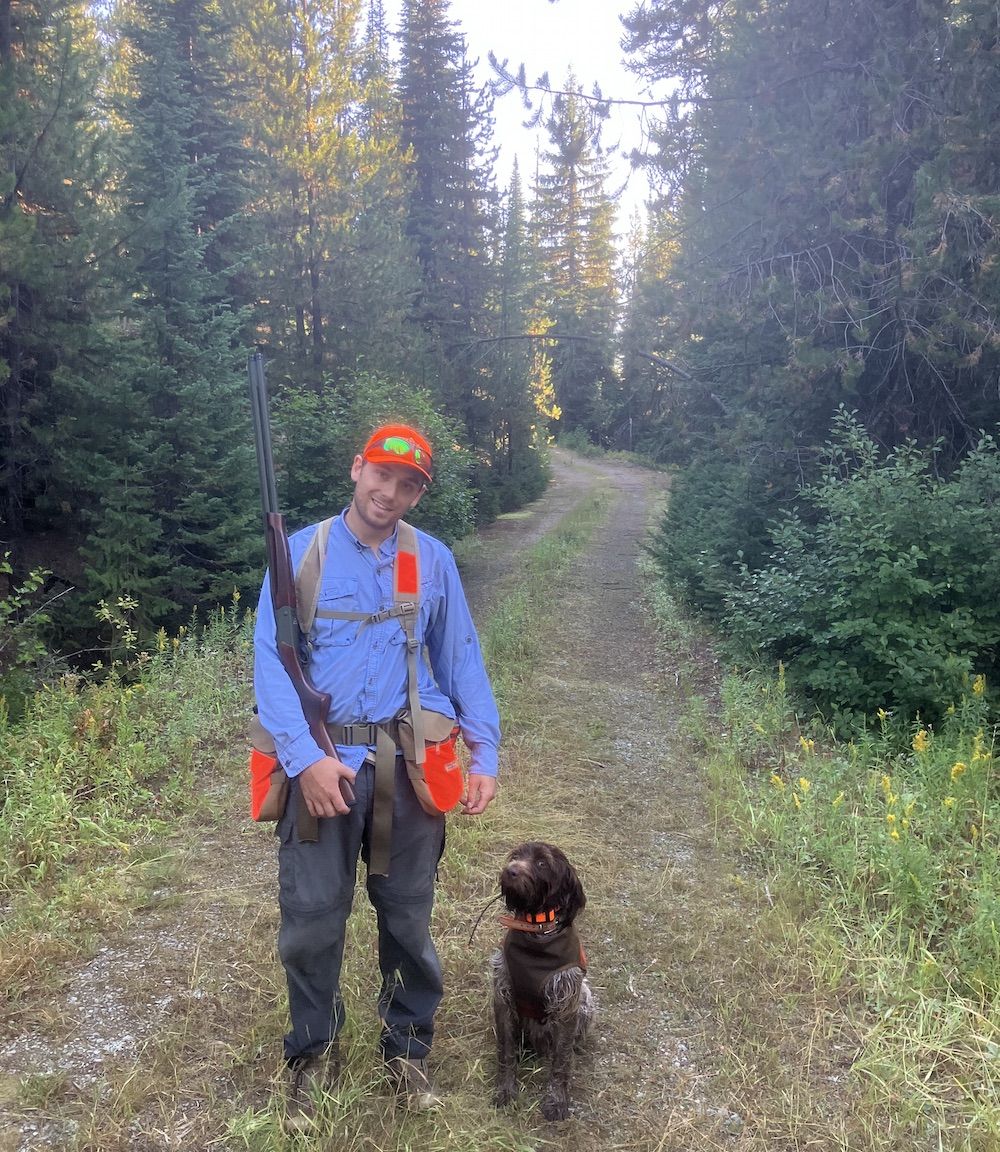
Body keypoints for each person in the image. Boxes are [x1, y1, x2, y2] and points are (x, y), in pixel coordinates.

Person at [253, 422, 501, 1130]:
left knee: (409, 916)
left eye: (408, 484)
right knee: (311, 920)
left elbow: (461, 658)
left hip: (408, 767)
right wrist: (305, 760)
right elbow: (271, 663)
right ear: (357, 467)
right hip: (321, 768)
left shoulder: (432, 561)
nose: (390, 492)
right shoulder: (300, 555)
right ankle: (312, 1057)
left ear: (418, 493)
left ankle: (408, 1048)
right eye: (382, 474)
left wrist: (484, 752)